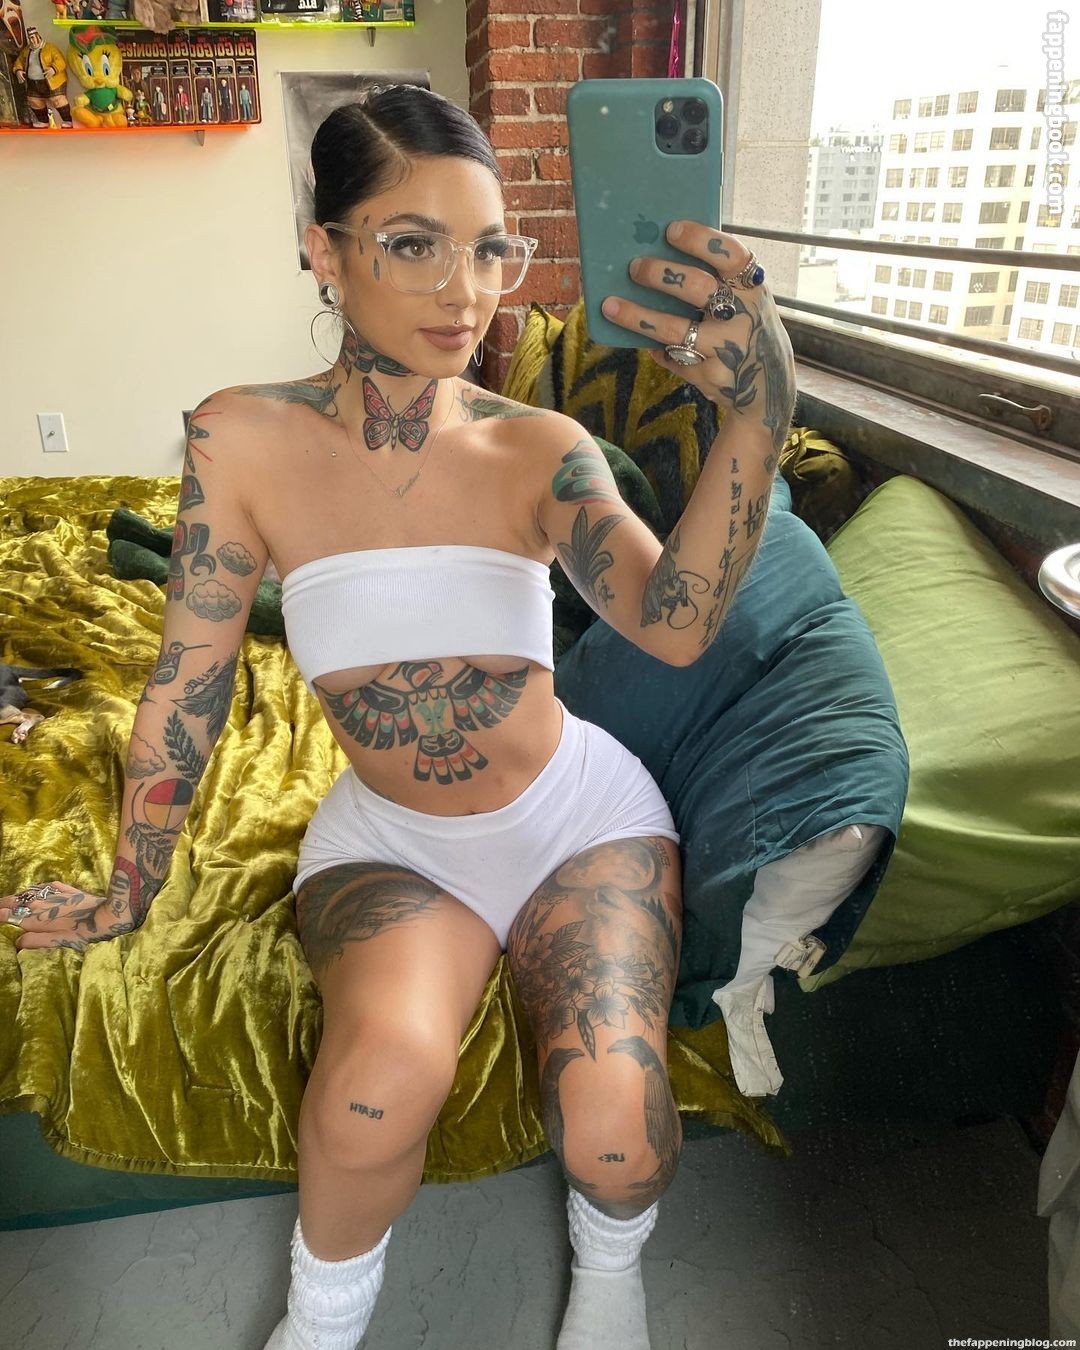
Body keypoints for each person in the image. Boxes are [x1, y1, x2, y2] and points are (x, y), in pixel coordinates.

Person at [0, 83, 795, 1350]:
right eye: (413, 244)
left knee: (617, 1130)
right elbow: (187, 688)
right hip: (395, 842)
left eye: (489, 249)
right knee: (372, 1091)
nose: (462, 291)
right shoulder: (237, 439)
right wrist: (126, 892)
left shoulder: (539, 448)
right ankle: (320, 1327)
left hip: (578, 821)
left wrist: (757, 415)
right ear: (325, 251)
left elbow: (677, 622)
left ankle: (610, 1283)